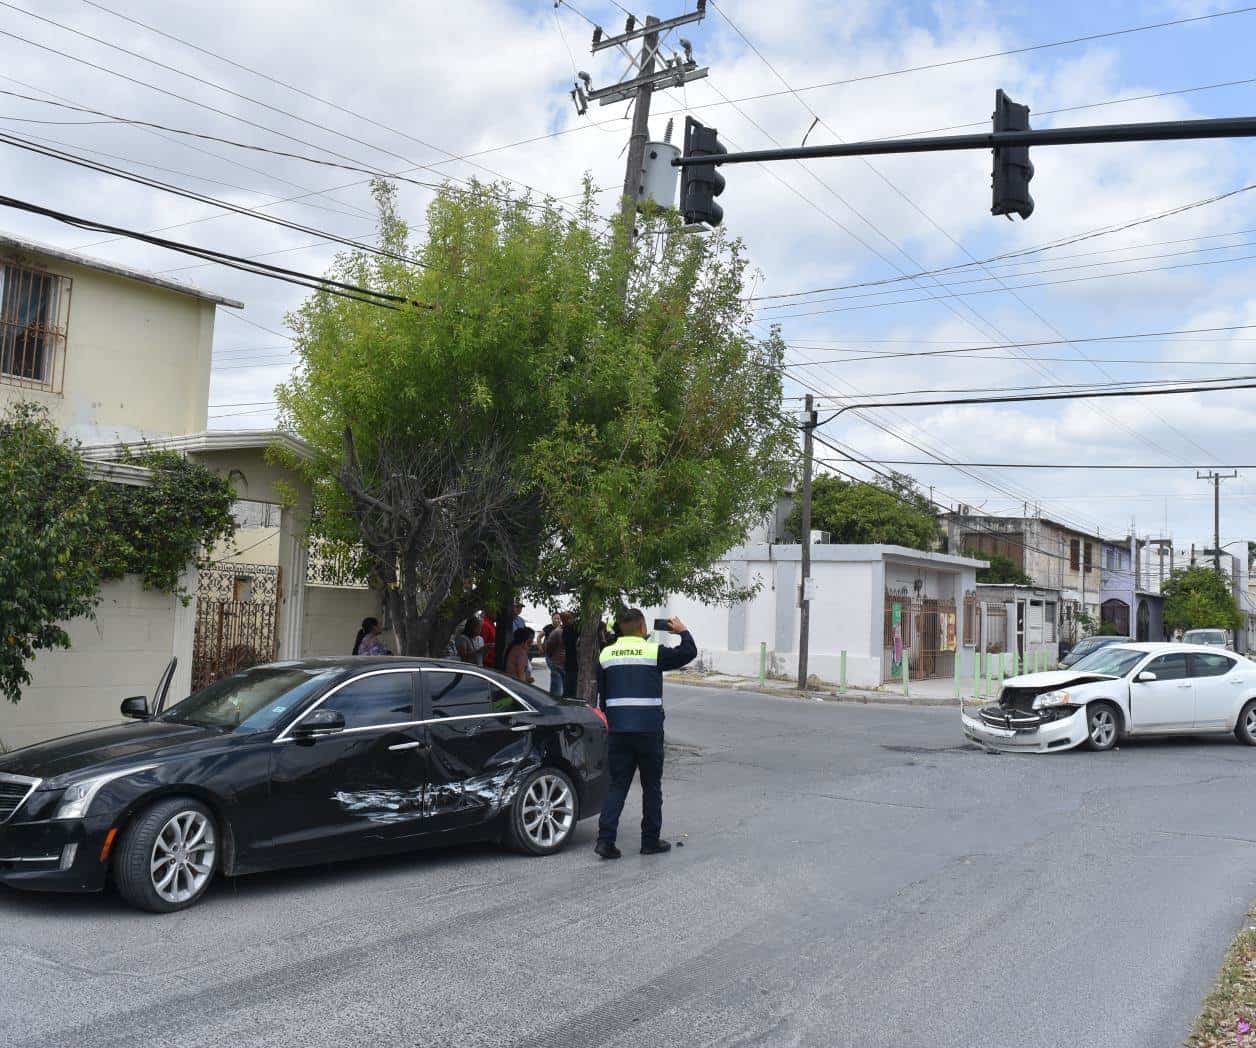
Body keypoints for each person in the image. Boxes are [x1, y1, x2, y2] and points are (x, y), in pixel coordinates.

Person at [594, 609, 696, 860]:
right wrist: (682, 631)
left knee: (617, 785)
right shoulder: (653, 651)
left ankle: (605, 841)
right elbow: (688, 653)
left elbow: (604, 697)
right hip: (648, 731)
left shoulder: (605, 654)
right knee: (651, 787)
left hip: (618, 730)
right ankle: (650, 841)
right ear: (642, 628)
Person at [543, 614, 566, 697]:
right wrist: (541, 649)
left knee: (558, 679)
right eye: (555, 618)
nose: (557, 620)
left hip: (560, 661)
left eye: (558, 618)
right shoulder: (551, 629)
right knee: (556, 678)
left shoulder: (563, 630)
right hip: (554, 659)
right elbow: (548, 645)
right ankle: (555, 697)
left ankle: (556, 697)